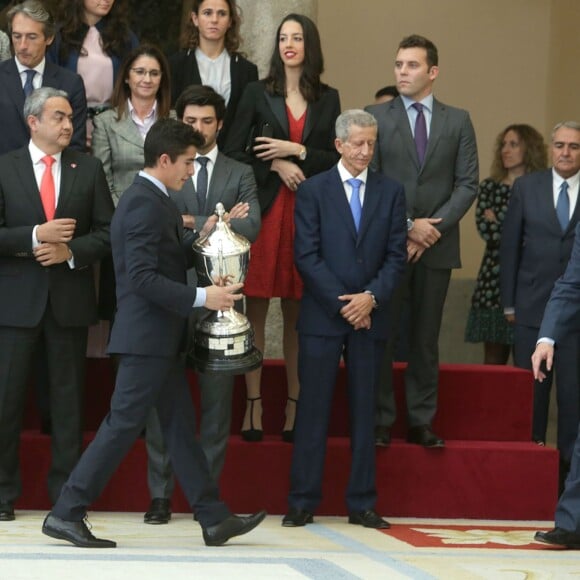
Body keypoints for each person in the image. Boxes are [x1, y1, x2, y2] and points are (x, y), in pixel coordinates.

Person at [42, 118, 266, 548]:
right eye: (186, 162)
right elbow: (142, 278)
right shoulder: (146, 202)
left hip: (156, 339)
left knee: (179, 427)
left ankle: (213, 516)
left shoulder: (154, 198)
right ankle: (67, 512)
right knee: (123, 424)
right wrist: (204, 297)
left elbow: (162, 255)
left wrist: (203, 236)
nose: (191, 171)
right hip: (146, 339)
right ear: (163, 160)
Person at [282, 109, 406, 528]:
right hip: (323, 317)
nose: (365, 151)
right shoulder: (314, 191)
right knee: (313, 410)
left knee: (364, 413)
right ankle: (302, 501)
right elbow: (307, 256)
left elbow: (395, 257)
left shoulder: (391, 192)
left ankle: (362, 503)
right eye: (358, 143)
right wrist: (345, 304)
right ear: (338, 145)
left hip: (371, 317)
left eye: (371, 143)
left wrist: (369, 298)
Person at [143, 84, 260, 525]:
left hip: (223, 301)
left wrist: (196, 223)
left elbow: (251, 226)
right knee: (163, 403)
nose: (198, 127)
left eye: (206, 121)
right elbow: (168, 225)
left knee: (215, 406)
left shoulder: (239, 170)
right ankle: (160, 495)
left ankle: (204, 499)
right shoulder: (167, 169)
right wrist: (206, 221)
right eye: (190, 120)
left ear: (220, 124)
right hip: (174, 297)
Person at [225, 13, 340, 443]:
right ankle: (253, 402)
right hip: (265, 210)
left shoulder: (328, 98)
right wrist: (275, 161)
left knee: (297, 314)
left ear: (310, 44)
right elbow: (234, 150)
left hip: (308, 215)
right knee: (253, 308)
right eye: (283, 37)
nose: (289, 44)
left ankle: (295, 404)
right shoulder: (257, 91)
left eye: (297, 37)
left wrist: (298, 149)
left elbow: (335, 158)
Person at [0, 87, 114, 522]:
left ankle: (66, 498)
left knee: (68, 405)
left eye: (71, 118)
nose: (69, 125)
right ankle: (3, 494)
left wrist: (71, 252)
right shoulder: (5, 167)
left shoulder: (87, 168)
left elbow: (107, 232)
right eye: (60, 117)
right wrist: (34, 236)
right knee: (6, 401)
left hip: (68, 303)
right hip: (14, 305)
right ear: (33, 122)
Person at [366, 34, 478, 449]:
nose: (402, 72)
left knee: (426, 339)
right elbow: (372, 182)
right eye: (398, 64)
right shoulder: (376, 117)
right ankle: (380, 420)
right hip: (389, 246)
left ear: (432, 72)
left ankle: (420, 420)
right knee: (383, 334)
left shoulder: (458, 120)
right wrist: (409, 225)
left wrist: (432, 230)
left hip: (438, 245)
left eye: (411, 65)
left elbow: (468, 185)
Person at [500, 121, 580, 488]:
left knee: (572, 400)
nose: (565, 152)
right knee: (531, 396)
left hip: (576, 315)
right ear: (549, 148)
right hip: (531, 307)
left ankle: (566, 480)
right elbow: (510, 247)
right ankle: (528, 476)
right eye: (560, 145)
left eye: (574, 147)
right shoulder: (527, 187)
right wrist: (509, 304)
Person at [466, 124, 547, 364]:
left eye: (513, 144)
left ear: (529, 149)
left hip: (531, 280)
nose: (506, 150)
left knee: (526, 362)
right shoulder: (490, 187)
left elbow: (543, 232)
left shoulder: (541, 188)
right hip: (492, 281)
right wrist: (521, 231)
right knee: (493, 360)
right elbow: (487, 230)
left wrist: (499, 219)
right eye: (503, 144)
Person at [47, 0, 139, 149]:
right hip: (70, 124)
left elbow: (136, 81)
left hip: (113, 125)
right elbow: (49, 85)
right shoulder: (60, 36)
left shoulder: (124, 37)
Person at [0, 0, 87, 154]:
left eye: (31, 37)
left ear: (49, 38)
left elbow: (75, 147)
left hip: (52, 174)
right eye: (17, 36)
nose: (22, 46)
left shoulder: (71, 83)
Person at [169, 0, 257, 149]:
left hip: (231, 158)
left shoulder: (246, 70)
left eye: (222, 14)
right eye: (207, 13)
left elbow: (247, 121)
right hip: (184, 155)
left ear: (230, 21)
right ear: (195, 19)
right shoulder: (176, 65)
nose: (214, 20)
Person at [92, 43, 171, 205]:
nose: (147, 79)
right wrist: (124, 214)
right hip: (120, 213)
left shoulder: (175, 121)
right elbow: (102, 180)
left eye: (154, 73)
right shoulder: (105, 122)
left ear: (162, 79)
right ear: (127, 77)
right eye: (140, 72)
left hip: (167, 212)